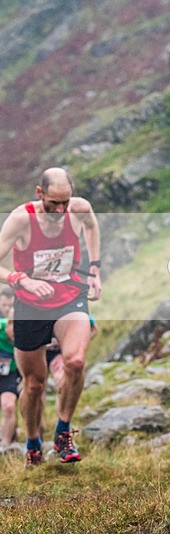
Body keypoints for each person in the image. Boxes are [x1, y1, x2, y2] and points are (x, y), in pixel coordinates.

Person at [0, 167, 102, 467]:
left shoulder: (79, 209)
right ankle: (32, 441)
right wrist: (21, 280)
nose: (60, 210)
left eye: (65, 202)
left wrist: (94, 270)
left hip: (70, 297)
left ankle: (63, 431)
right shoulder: (22, 219)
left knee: (75, 361)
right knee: (34, 383)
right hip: (30, 306)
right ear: (39, 193)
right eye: (53, 203)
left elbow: (92, 227)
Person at [38, 314, 97, 440]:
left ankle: (61, 423)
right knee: (38, 389)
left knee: (62, 382)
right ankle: (39, 429)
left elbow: (93, 328)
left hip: (58, 353)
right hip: (40, 352)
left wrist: (76, 344)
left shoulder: (68, 304)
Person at [0, 287, 21, 445]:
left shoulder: (26, 332)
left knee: (8, 406)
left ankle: (5, 447)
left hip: (11, 375)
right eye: (4, 305)